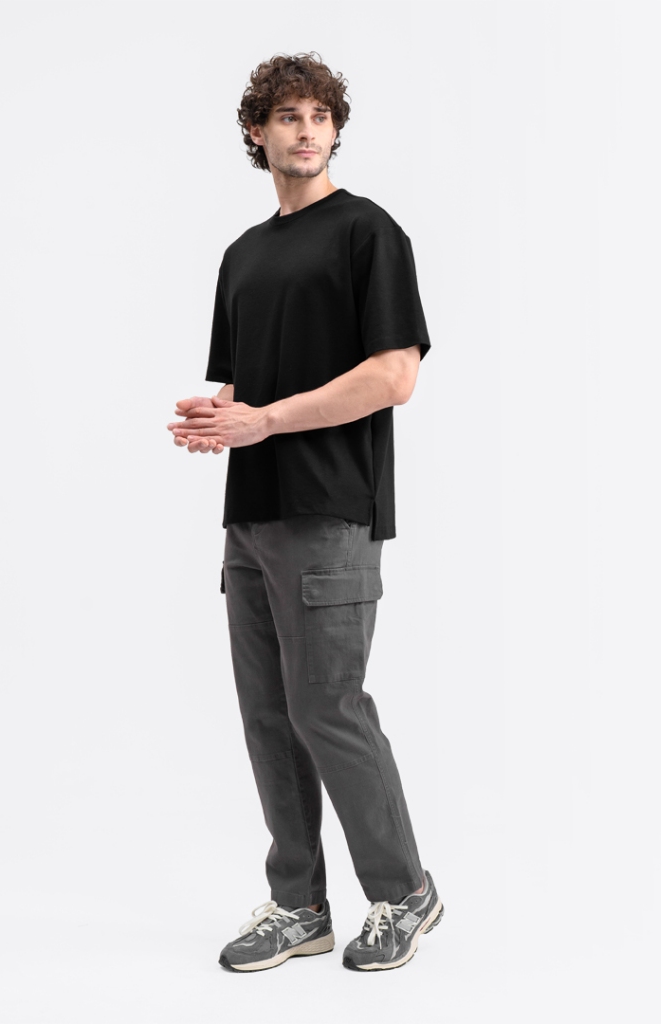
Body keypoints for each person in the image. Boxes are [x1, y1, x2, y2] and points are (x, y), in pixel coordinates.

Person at [166, 52, 442, 973]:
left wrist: (266, 420)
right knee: (269, 716)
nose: (307, 130)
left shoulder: (368, 232)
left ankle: (404, 893)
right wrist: (220, 416)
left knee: (328, 706)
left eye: (320, 116)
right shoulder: (243, 255)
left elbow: (393, 376)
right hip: (251, 514)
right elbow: (247, 387)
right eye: (288, 116)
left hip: (330, 507)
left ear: (335, 130)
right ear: (258, 132)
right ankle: (299, 907)